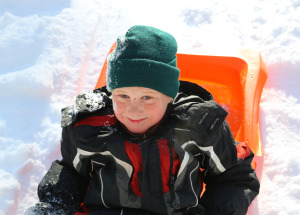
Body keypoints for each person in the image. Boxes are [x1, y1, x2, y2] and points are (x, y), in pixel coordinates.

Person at [25, 25, 260, 215]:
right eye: (123, 95)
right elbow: (72, 172)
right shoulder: (88, 127)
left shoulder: (199, 126)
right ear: (111, 94)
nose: (133, 109)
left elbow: (234, 177)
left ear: (169, 97)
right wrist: (53, 206)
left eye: (147, 97)